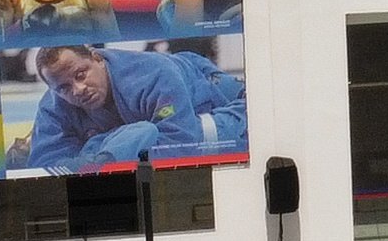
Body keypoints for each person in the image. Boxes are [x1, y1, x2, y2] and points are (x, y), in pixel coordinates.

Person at [18, 41, 248, 174]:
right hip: (123, 130)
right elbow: (44, 168)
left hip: (198, 79)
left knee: (242, 123)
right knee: (17, 158)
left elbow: (182, 145)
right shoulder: (53, 105)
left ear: (97, 58)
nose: (78, 89)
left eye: (81, 74)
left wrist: (107, 153)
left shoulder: (152, 74)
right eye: (64, 88)